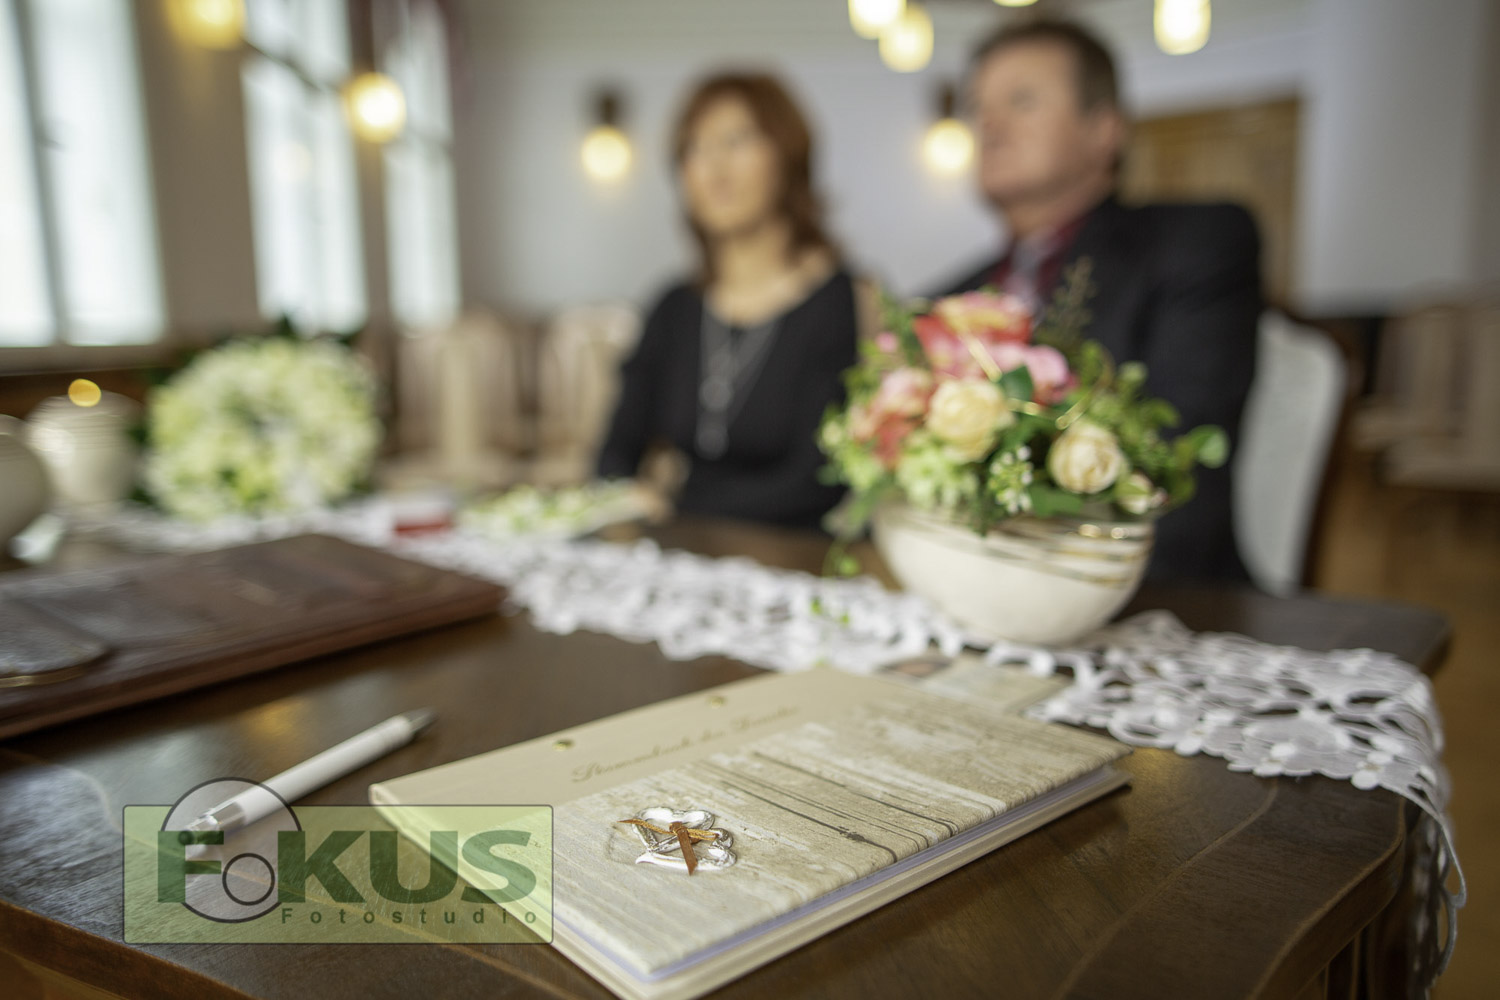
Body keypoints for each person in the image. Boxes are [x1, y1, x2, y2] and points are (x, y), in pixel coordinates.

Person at [941, 19, 1261, 582]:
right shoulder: (946, 299)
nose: (988, 124)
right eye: (977, 107)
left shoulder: (1194, 244)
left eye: (1022, 100)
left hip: (1157, 593)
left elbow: (1178, 471)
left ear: (1103, 130)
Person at [596, 73, 862, 530]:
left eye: (736, 141)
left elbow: (818, 480)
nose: (714, 168)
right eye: (695, 148)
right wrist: (626, 496)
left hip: (790, 550)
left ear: (787, 156)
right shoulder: (673, 307)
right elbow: (613, 456)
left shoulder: (835, 300)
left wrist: (676, 506)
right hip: (679, 550)